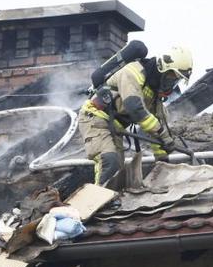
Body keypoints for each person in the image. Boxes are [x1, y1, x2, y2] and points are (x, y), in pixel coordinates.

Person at [78, 45, 193, 186]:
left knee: (116, 175)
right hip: (95, 117)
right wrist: (163, 134)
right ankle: (94, 203)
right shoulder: (133, 72)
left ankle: (109, 202)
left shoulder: (155, 95)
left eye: (176, 81)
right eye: (171, 78)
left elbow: (158, 132)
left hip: (114, 126)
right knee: (109, 161)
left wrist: (163, 163)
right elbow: (135, 108)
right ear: (162, 68)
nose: (172, 84)